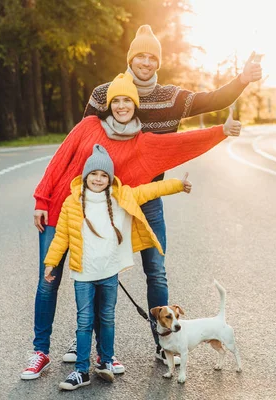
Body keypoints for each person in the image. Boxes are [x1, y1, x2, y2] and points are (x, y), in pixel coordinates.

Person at [20, 71, 242, 380]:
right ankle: (40, 351)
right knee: (49, 281)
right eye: (116, 100)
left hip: (94, 226)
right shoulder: (88, 127)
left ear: (135, 105)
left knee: (96, 284)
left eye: (128, 100)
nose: (122, 106)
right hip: (59, 211)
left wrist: (221, 131)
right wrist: (41, 200)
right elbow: (60, 160)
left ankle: (100, 353)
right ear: (109, 104)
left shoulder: (143, 144)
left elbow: (181, 144)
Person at [80, 24, 262, 364]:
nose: (146, 62)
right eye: (140, 56)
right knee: (96, 273)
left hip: (148, 200)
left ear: (157, 63)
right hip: (107, 202)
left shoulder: (170, 98)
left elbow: (213, 99)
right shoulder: (104, 94)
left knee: (156, 271)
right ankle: (85, 345)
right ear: (130, 59)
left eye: (152, 57)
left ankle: (162, 347)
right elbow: (82, 145)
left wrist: (242, 79)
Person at [44, 144, 192, 391]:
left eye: (104, 175)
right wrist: (51, 263)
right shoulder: (72, 203)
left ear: (110, 179)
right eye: (94, 174)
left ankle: (106, 362)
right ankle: (81, 370)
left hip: (109, 274)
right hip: (83, 274)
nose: (99, 179)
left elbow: (150, 189)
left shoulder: (120, 197)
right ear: (85, 176)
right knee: (84, 321)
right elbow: (61, 237)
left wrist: (177, 184)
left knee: (108, 319)